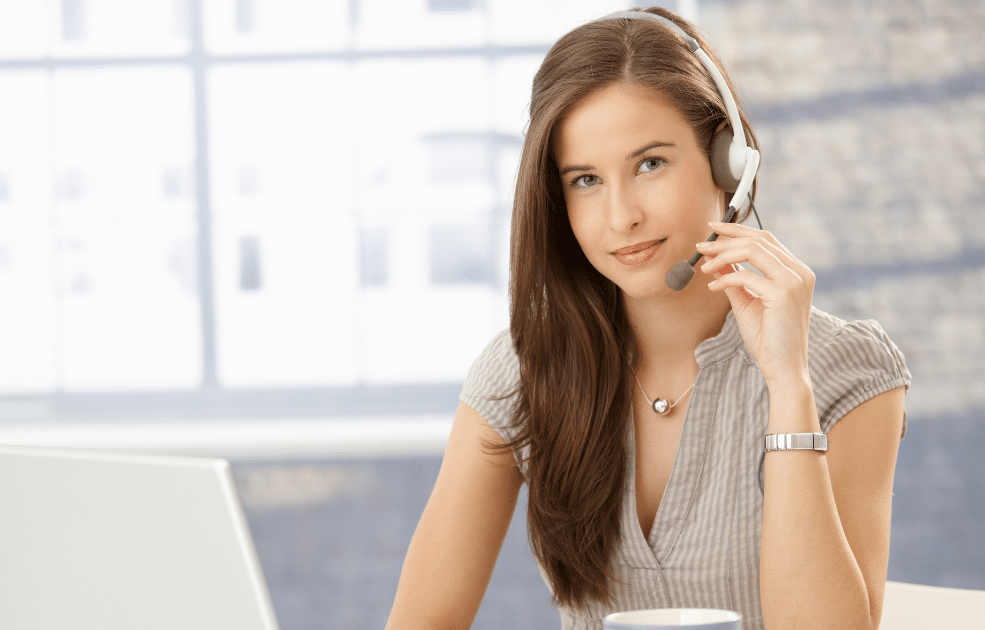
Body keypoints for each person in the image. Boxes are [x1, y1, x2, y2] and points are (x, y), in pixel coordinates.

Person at [385, 7, 910, 630]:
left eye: (650, 164)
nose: (621, 217)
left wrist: (787, 383)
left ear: (729, 161)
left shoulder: (846, 371)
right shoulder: (527, 368)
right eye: (585, 180)